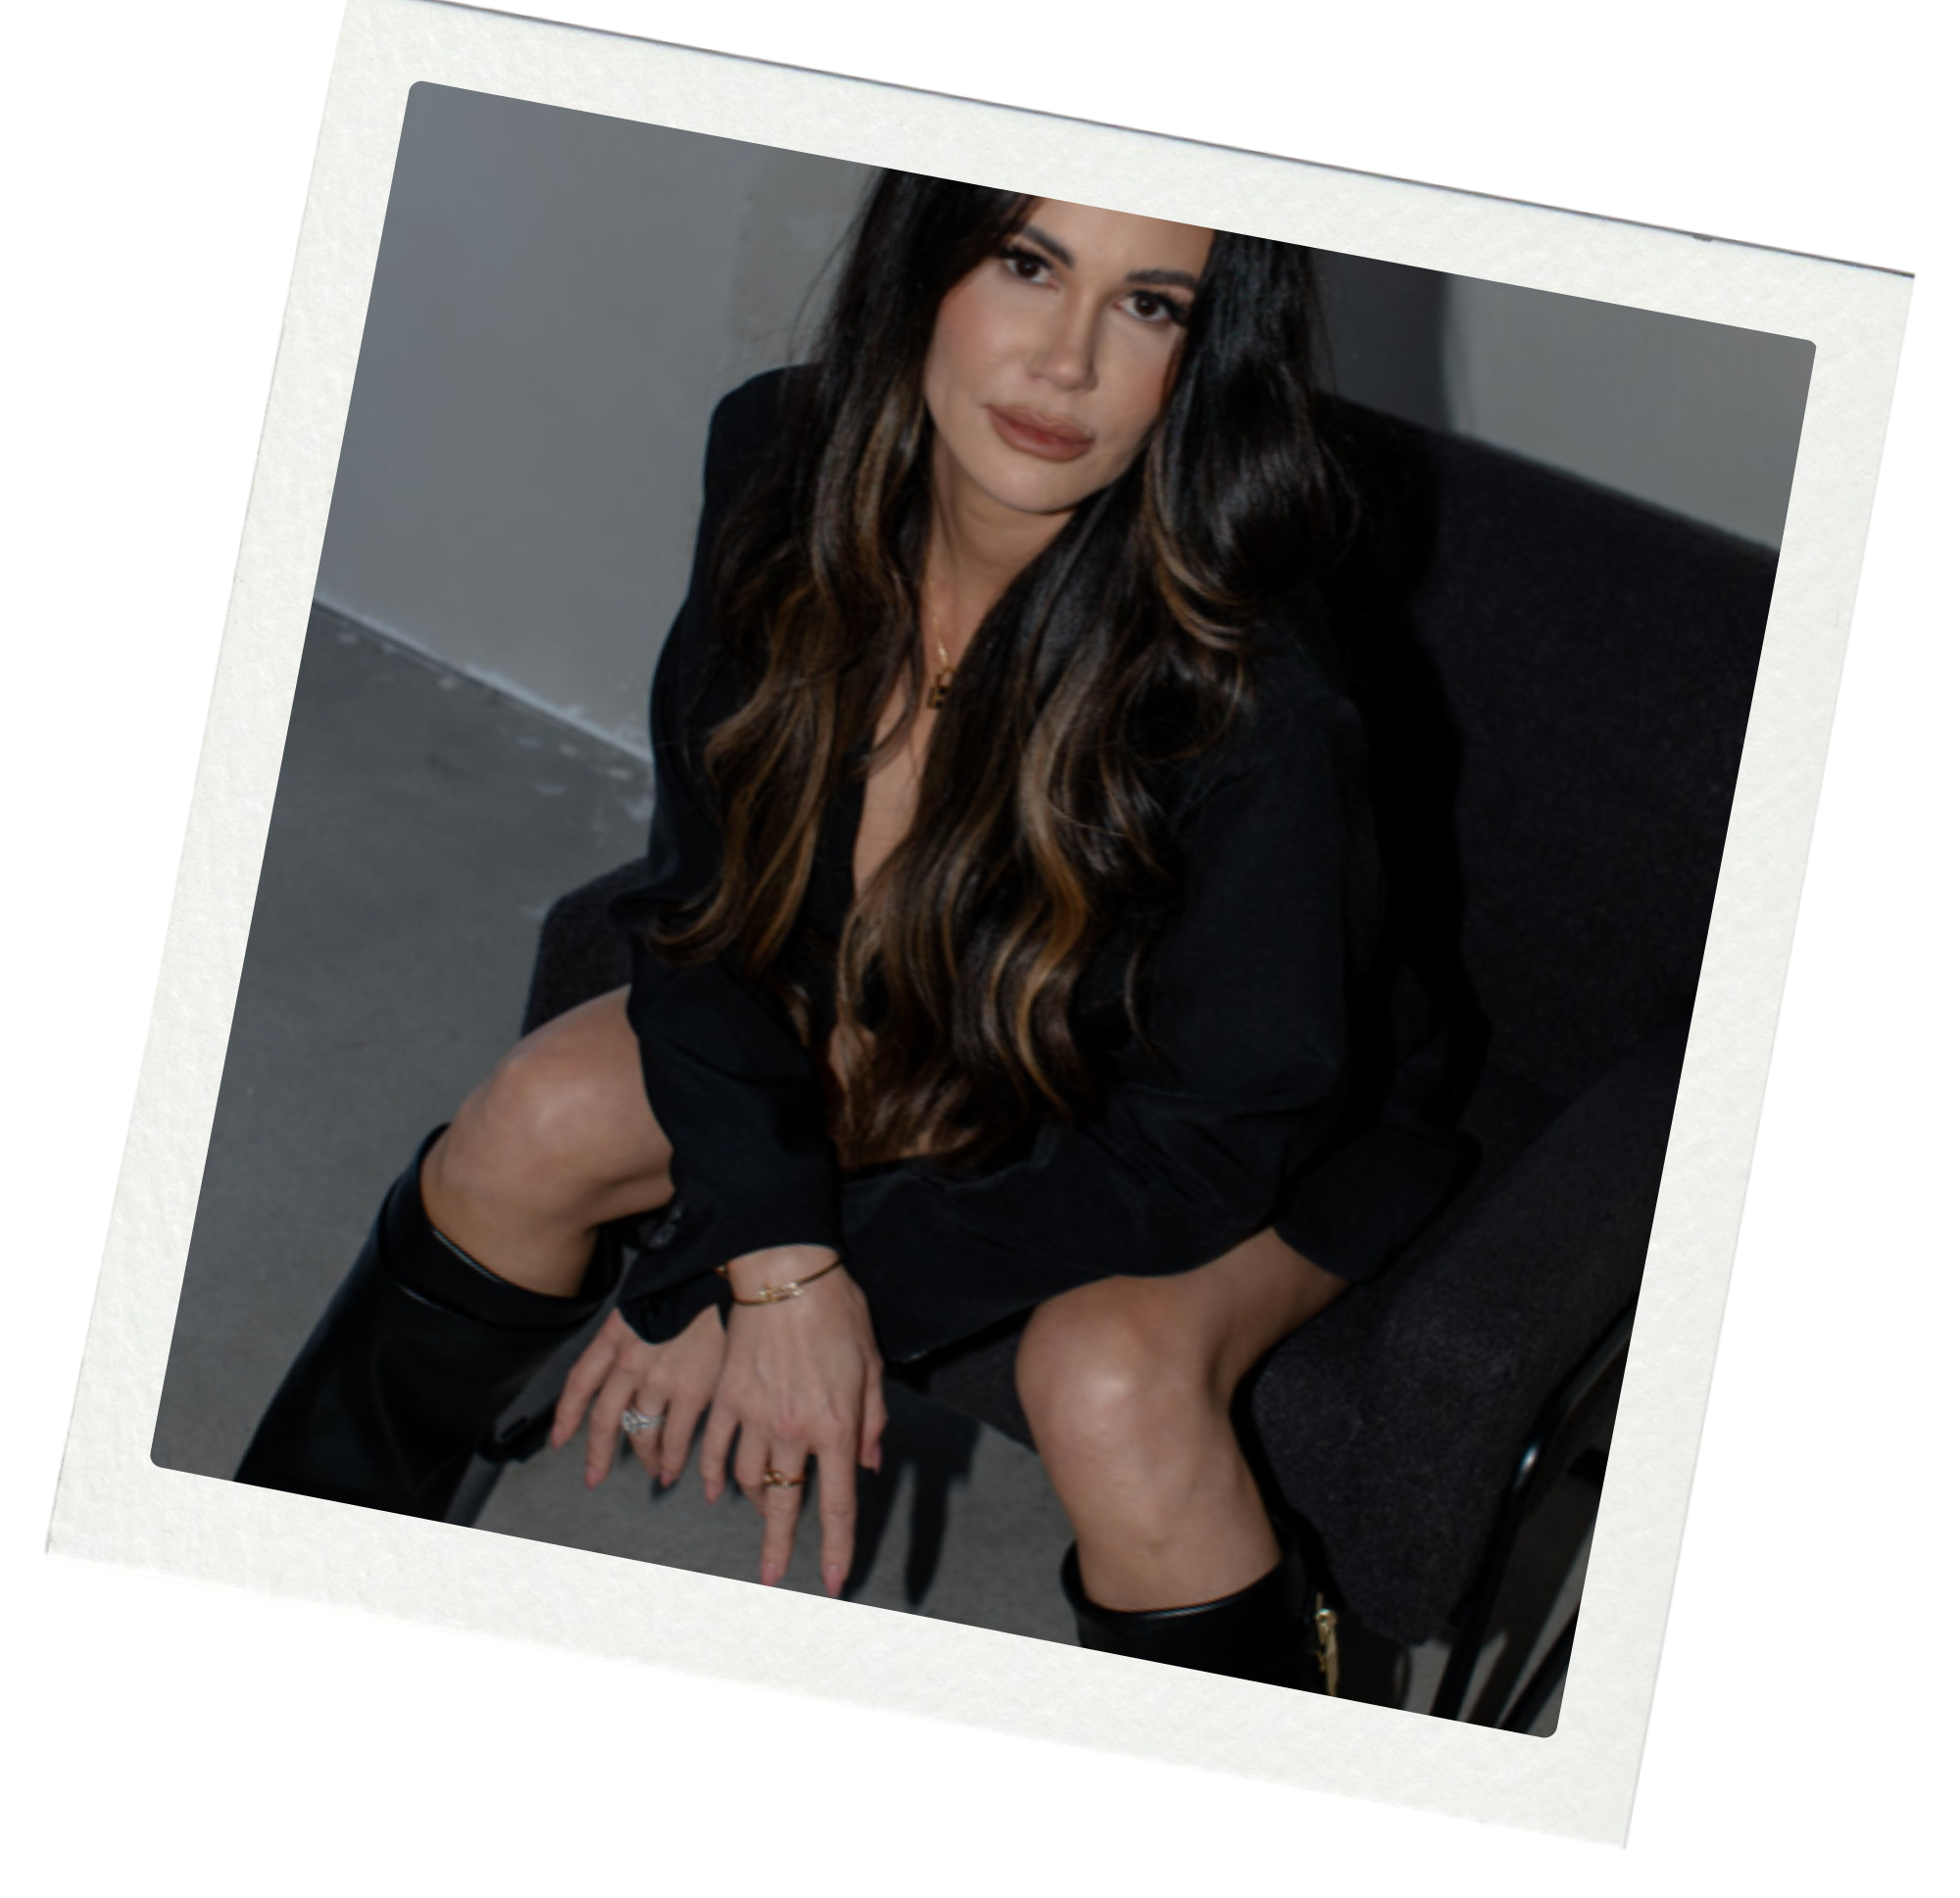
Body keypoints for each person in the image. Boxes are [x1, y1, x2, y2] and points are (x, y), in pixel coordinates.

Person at [237, 172, 1467, 1692]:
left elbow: (1210, 1138)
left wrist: (789, 1283)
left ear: (1201, 361)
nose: (1066, 362)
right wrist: (761, 1256)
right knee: (539, 1114)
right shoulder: (780, 462)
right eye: (1028, 263)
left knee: (1106, 1380)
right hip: (916, 1000)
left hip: (1225, 1110)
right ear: (927, 264)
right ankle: (289, 1558)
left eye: (1151, 306)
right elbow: (699, 897)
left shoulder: (1258, 700)